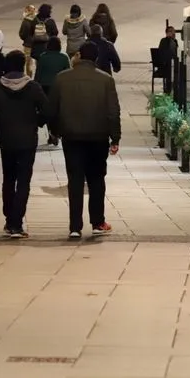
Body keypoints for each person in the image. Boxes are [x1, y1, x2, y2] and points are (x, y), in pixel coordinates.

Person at [48, 41, 121, 239]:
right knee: (97, 179)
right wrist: (115, 137)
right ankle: (98, 222)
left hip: (71, 137)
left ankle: (74, 226)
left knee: (75, 180)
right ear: (96, 58)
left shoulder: (62, 79)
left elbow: (51, 109)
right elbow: (113, 112)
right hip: (98, 137)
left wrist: (56, 131)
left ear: (79, 55)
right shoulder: (106, 80)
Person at [0, 50, 49, 238]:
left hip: (7, 139)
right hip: (28, 139)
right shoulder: (34, 87)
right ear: (23, 65)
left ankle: (9, 219)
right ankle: (16, 222)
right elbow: (47, 109)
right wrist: (37, 121)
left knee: (8, 179)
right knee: (23, 181)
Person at [34, 36, 71, 145]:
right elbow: (68, 73)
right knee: (58, 111)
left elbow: (38, 74)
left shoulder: (43, 57)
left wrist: (36, 86)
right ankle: (56, 132)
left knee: (48, 110)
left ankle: (51, 132)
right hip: (59, 87)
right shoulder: (64, 57)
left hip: (45, 87)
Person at [156, 25, 179, 93]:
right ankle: (169, 88)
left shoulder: (174, 41)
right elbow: (164, 53)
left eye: (174, 31)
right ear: (167, 33)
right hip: (164, 65)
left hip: (170, 64)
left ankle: (171, 88)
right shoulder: (164, 41)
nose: (173, 33)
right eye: (172, 31)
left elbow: (175, 53)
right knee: (170, 70)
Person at [18, 4, 37, 77]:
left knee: (28, 63)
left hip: (28, 45)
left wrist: (25, 39)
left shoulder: (26, 21)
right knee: (38, 61)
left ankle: (29, 77)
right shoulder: (38, 19)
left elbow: (22, 33)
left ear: (27, 11)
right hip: (38, 43)